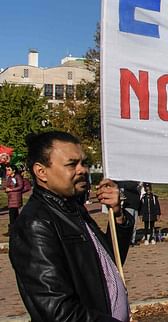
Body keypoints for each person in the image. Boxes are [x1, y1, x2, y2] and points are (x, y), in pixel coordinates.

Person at [9, 131, 133, 321]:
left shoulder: (74, 210)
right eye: (72, 164)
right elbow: (58, 311)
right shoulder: (36, 224)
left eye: (84, 163)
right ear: (41, 172)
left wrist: (117, 215)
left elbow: (110, 264)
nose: (82, 170)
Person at [117, 180, 142, 245]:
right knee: (129, 224)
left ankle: (132, 240)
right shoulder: (126, 183)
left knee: (134, 225)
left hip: (135, 207)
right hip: (128, 206)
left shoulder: (136, 187)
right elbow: (129, 186)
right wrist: (137, 184)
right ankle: (127, 240)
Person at [4, 164, 24, 233]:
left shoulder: (17, 177)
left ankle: (12, 231)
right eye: (7, 170)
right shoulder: (9, 177)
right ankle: (17, 230)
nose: (7, 171)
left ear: (14, 170)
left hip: (15, 198)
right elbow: (6, 186)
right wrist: (6, 189)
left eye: (9, 170)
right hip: (11, 198)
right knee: (15, 215)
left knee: (12, 214)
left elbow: (20, 186)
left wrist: (11, 190)